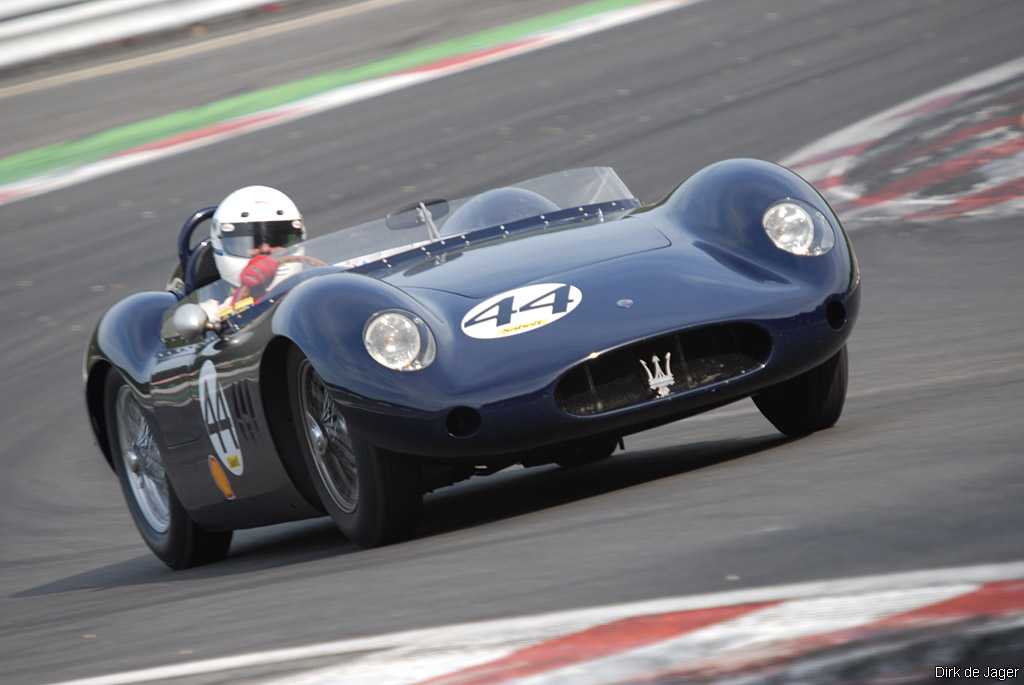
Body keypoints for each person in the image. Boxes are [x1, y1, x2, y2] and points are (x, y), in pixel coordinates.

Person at [203, 185, 307, 319]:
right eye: (254, 242)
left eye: (277, 239)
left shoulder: (315, 289)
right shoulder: (210, 314)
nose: (265, 249)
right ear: (220, 244)